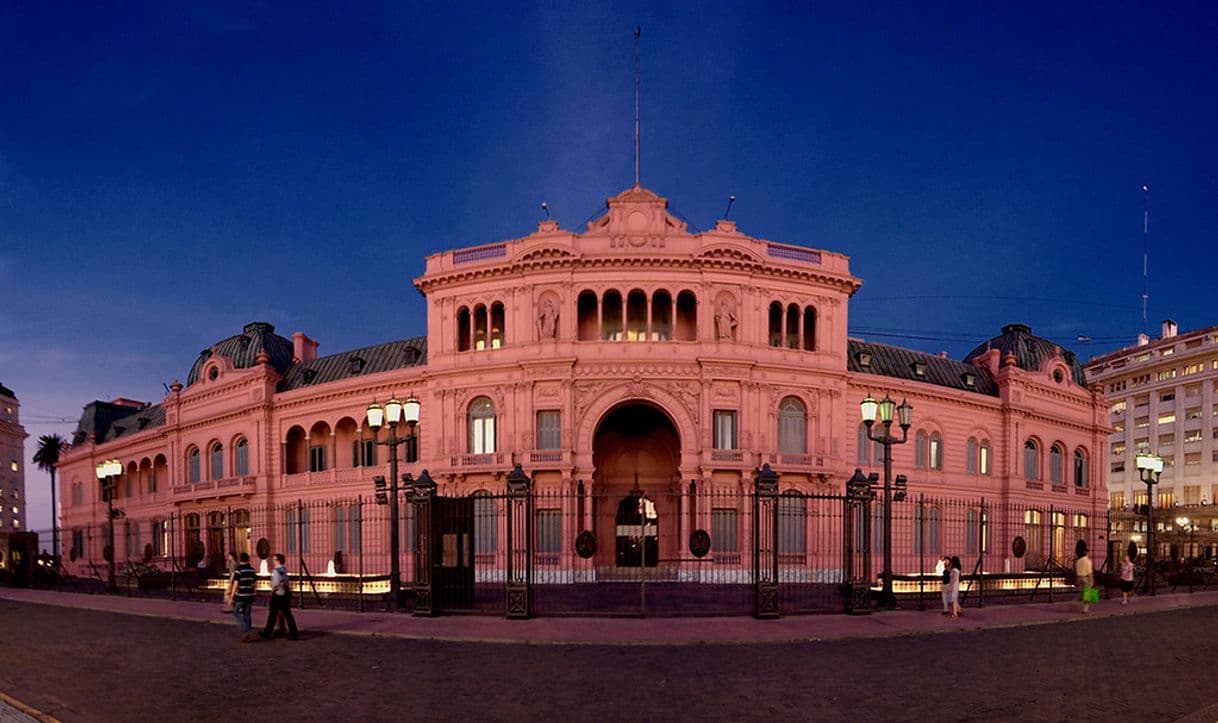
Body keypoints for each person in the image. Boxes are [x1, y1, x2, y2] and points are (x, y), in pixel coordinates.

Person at [260, 553, 299, 641]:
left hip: (277, 594)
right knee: (288, 614)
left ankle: (267, 633)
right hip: (285, 594)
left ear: (278, 560)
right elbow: (286, 581)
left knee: (272, 614)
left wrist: (272, 587)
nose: (273, 561)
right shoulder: (284, 570)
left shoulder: (276, 571)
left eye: (274, 559)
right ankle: (293, 633)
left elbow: (276, 583)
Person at [227, 552, 257, 641]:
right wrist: (253, 590)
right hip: (250, 595)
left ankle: (245, 630)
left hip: (241, 595)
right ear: (248, 559)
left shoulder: (238, 570)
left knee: (235, 612)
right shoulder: (252, 570)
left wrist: (231, 597)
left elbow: (236, 584)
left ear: (240, 560)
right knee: (247, 614)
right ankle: (247, 633)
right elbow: (255, 583)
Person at [1075, 542, 1094, 614]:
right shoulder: (1087, 560)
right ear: (1085, 552)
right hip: (1085, 578)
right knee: (1088, 594)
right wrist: (1092, 581)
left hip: (1079, 577)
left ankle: (1075, 603)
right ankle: (1085, 610)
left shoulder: (1078, 561)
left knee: (1082, 593)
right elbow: (1089, 572)